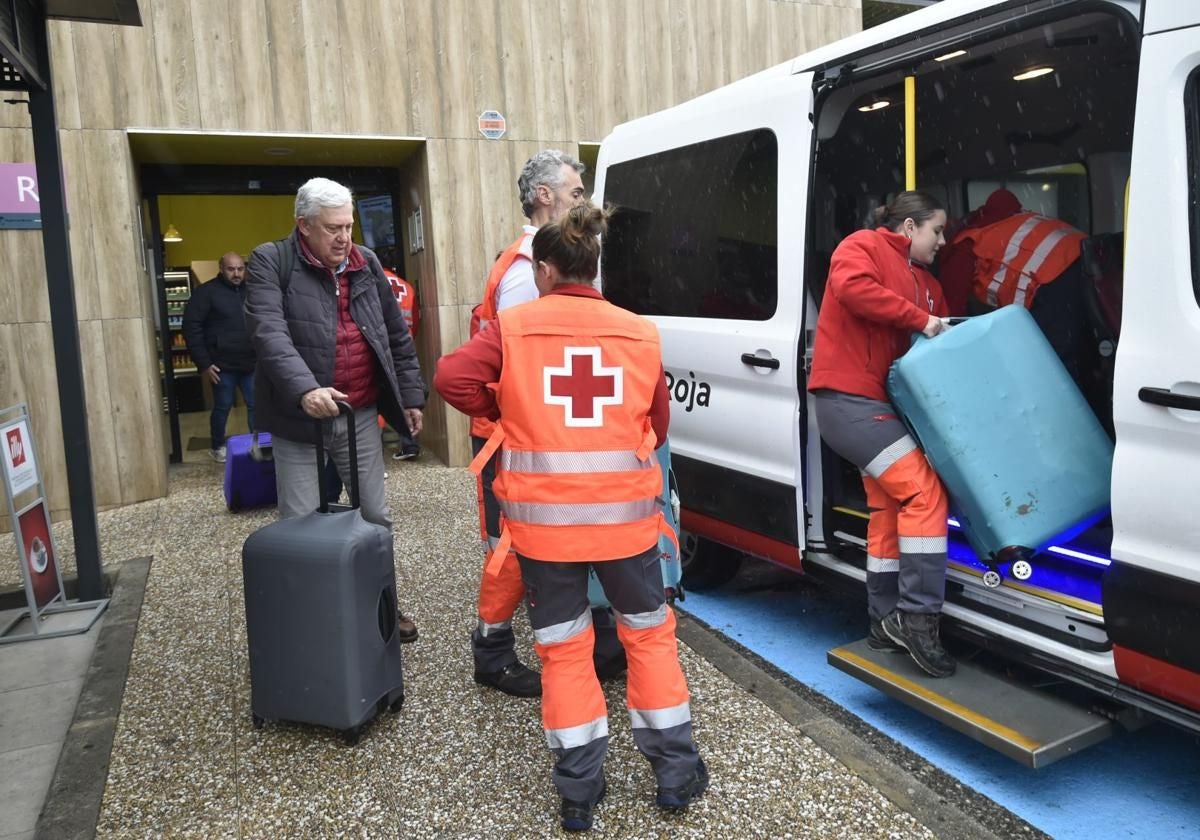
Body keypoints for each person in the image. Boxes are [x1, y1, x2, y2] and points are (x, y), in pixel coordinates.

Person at [435, 203, 708, 832]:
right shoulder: (639, 331)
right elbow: (657, 424)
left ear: (546, 270)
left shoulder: (514, 328)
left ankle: (579, 793)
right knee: (649, 640)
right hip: (628, 529)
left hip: (545, 529)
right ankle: (675, 775)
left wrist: (505, 407)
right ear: (593, 267)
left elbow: (451, 377)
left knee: (562, 653)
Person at [245, 177, 424, 642]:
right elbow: (269, 333)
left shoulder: (365, 263)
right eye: (332, 229)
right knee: (301, 524)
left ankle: (382, 607)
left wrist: (409, 396)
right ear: (303, 226)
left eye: (348, 225)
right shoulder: (271, 261)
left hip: (359, 412)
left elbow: (394, 335)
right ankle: (310, 621)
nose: (344, 238)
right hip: (298, 418)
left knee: (375, 518)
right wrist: (305, 389)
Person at [808, 191, 956, 678]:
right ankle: (918, 619)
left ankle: (883, 619)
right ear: (910, 228)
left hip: (880, 407)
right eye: (936, 230)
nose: (942, 240)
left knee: (890, 508)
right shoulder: (862, 247)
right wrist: (922, 320)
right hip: (849, 401)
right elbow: (853, 290)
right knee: (924, 494)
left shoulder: (931, 286)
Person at [462, 149, 589, 698]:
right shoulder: (524, 273)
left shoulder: (541, 260)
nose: (582, 199)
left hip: (535, 436)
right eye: (575, 191)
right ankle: (494, 654)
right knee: (514, 546)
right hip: (518, 440)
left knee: (527, 544)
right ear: (545, 196)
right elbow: (517, 364)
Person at [181, 252, 256, 463]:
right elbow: (191, 328)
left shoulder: (252, 291)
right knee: (223, 407)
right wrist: (204, 363)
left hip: (251, 362)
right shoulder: (206, 293)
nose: (236, 273)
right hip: (221, 366)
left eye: (240, 269)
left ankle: (259, 445)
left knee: (256, 406)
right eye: (231, 269)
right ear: (221, 269)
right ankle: (217, 445)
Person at [383, 267, 422, 461]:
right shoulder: (407, 288)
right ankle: (410, 444)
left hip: (381, 346)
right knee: (405, 397)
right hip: (404, 347)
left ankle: (373, 456)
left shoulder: (370, 278)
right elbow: (415, 319)